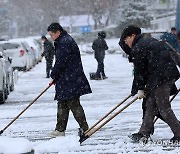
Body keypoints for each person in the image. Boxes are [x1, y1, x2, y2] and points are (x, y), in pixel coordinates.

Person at [120, 25, 180, 143]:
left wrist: (139, 89)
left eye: (126, 39)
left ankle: (179, 133)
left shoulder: (138, 47)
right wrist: (138, 88)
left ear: (133, 36)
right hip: (163, 75)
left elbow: (139, 72)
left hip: (161, 78)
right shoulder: (148, 41)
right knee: (151, 105)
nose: (126, 43)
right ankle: (144, 133)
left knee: (163, 108)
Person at [47, 23, 92, 137]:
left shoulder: (64, 42)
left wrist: (54, 74)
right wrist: (57, 77)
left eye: (52, 34)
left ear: (58, 32)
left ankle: (85, 128)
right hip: (66, 78)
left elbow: (61, 62)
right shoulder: (63, 40)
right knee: (62, 104)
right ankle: (60, 130)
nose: (51, 37)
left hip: (70, 79)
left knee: (73, 104)